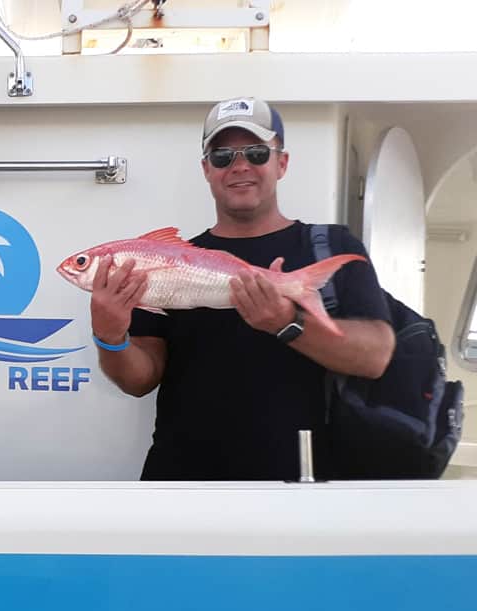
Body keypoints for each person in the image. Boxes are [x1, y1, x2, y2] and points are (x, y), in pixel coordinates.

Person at [89, 97, 395, 480]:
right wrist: (110, 335)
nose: (240, 166)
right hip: (182, 479)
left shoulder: (332, 245)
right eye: (222, 156)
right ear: (206, 169)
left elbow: (375, 356)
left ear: (281, 162)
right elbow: (140, 380)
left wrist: (287, 321)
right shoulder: (166, 260)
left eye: (256, 152)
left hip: (297, 482)